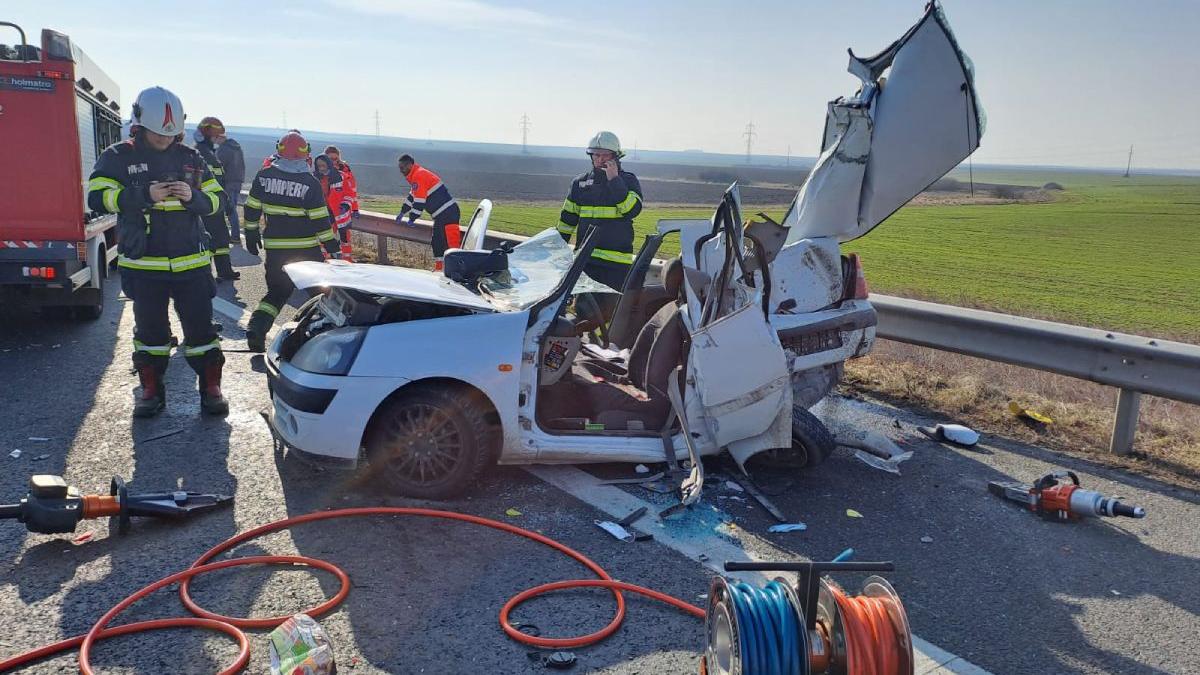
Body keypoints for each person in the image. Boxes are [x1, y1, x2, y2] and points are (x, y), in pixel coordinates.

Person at [87, 86, 228, 417]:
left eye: (170, 134)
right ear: (139, 125)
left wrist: (193, 197)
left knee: (202, 331)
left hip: (191, 263)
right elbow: (97, 196)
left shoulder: (192, 158)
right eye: (158, 134)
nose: (165, 140)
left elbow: (218, 200)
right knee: (150, 332)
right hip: (145, 265)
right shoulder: (119, 157)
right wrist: (142, 194)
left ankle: (210, 388)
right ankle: (151, 390)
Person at [243, 131, 340, 352]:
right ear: (306, 154)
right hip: (306, 250)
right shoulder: (310, 182)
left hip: (276, 249)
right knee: (321, 295)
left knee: (276, 292)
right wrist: (332, 247)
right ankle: (328, 339)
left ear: (279, 150)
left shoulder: (263, 176)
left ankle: (256, 329)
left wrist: (250, 233)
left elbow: (251, 207)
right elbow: (319, 221)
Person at [557, 131, 643, 298]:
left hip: (616, 264)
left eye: (604, 155)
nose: (599, 159)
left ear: (615, 157)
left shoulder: (628, 181)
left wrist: (614, 181)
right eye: (596, 155)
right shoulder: (579, 183)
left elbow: (631, 210)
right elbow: (566, 222)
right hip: (585, 261)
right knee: (583, 312)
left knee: (608, 314)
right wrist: (556, 250)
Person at [395, 154, 460, 270]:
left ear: (410, 165)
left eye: (402, 168)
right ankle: (440, 269)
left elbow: (419, 201)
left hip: (448, 213)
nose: (401, 171)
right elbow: (411, 198)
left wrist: (412, 218)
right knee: (437, 242)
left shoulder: (419, 176)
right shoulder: (416, 176)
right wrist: (402, 212)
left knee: (451, 244)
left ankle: (455, 269)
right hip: (442, 215)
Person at [193, 123, 239, 280]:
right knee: (209, 240)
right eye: (216, 136)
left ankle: (225, 271)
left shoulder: (211, 154)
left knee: (221, 238)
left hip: (216, 202)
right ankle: (205, 274)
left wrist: (226, 202)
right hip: (205, 205)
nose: (218, 139)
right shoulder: (197, 155)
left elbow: (220, 181)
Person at [205, 118, 245, 244]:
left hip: (228, 182)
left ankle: (234, 236)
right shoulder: (236, 147)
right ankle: (234, 235)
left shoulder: (223, 150)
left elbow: (218, 168)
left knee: (230, 210)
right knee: (231, 209)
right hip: (237, 181)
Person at [313, 153, 353, 257]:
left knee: (345, 239)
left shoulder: (340, 176)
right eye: (319, 166)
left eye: (323, 165)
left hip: (340, 213)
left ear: (328, 164)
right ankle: (324, 260)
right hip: (323, 212)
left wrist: (345, 205)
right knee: (323, 238)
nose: (321, 168)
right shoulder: (314, 178)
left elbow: (349, 193)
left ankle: (347, 259)